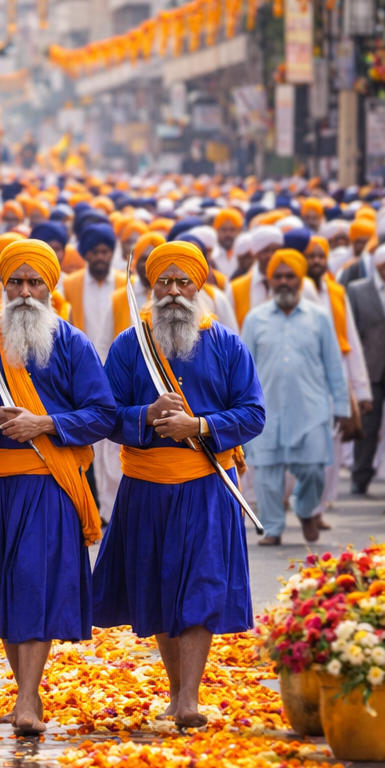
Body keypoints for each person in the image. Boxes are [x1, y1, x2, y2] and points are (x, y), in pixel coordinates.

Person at [94, 241, 265, 728]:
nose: (172, 292)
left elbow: (253, 413)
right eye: (163, 282)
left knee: (200, 588)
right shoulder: (130, 345)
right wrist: (145, 415)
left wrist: (202, 427)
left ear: (198, 286)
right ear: (151, 287)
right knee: (157, 589)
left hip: (207, 483)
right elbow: (106, 415)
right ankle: (175, 692)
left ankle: (189, 697)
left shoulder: (227, 344)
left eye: (181, 282)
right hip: (146, 485)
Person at [0, 240, 115, 731]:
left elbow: (102, 413)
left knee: (33, 585)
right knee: (5, 588)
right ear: (2, 287)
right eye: (15, 282)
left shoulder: (72, 343)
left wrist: (45, 424)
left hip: (48, 485)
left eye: (34, 283)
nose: (23, 292)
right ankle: (25, 692)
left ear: (50, 287)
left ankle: (27, 697)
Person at [241, 249, 348, 546]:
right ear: (271, 280)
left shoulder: (319, 318)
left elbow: (334, 365)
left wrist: (341, 405)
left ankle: (304, 509)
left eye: (291, 276)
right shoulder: (255, 319)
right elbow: (242, 368)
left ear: (301, 280)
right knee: (266, 473)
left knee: (314, 469)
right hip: (266, 409)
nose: (285, 281)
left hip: (311, 409)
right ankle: (273, 528)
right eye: (279, 276)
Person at [61, 217, 126, 523]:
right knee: (87, 447)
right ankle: (93, 507)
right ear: (85, 253)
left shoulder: (124, 286)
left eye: (105, 251)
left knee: (114, 451)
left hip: (118, 375)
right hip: (79, 373)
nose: (100, 257)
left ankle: (113, 509)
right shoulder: (69, 285)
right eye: (95, 252)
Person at [304, 234, 371, 508]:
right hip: (303, 378)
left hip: (335, 376)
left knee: (333, 441)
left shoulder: (337, 292)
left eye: (321, 256)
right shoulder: (289, 291)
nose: (317, 261)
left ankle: (320, 505)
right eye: (311, 256)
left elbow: (350, 341)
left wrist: (361, 389)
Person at [345, 240, 385, 495]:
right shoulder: (358, 291)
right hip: (372, 370)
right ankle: (360, 476)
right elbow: (352, 333)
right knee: (368, 425)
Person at [230, 222, 285, 324]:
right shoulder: (235, 289)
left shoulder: (297, 283)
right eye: (265, 251)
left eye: (275, 250)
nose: (270, 255)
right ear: (255, 253)